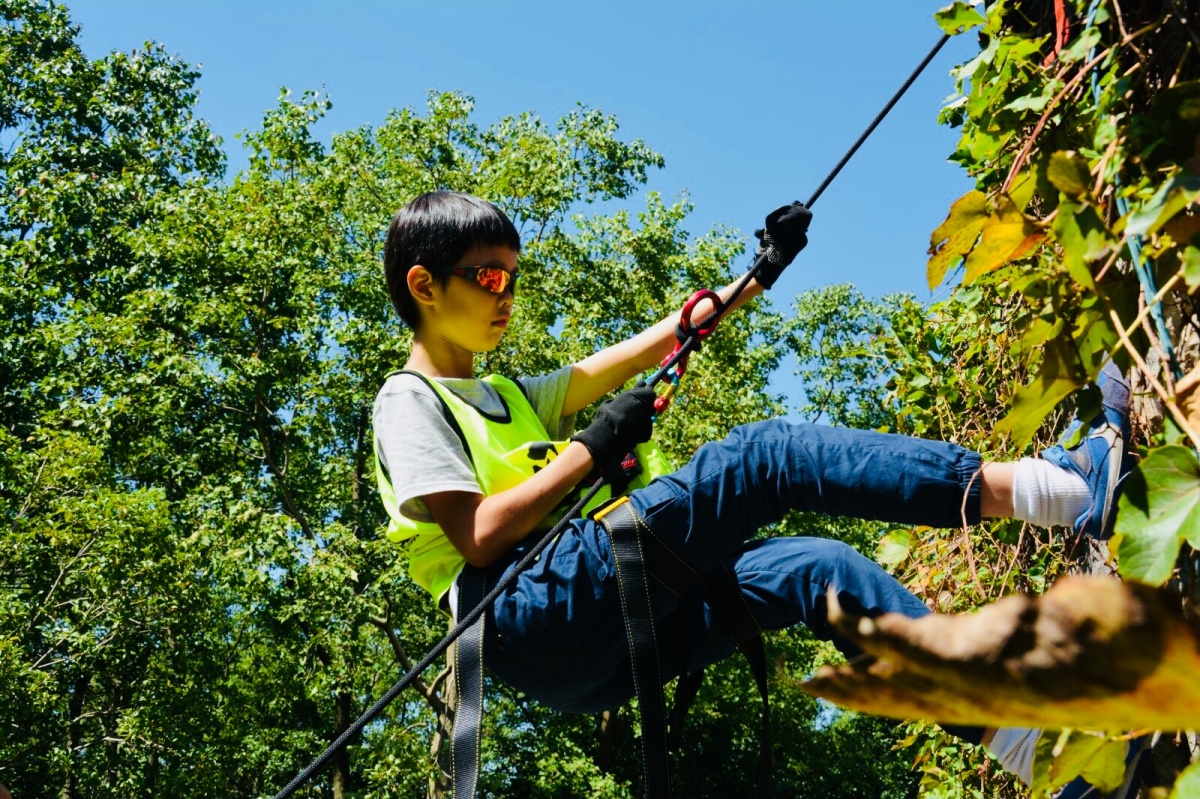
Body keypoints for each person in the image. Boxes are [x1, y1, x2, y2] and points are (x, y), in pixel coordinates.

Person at [372, 190, 1143, 797]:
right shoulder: (408, 400)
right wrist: (592, 447)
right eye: (490, 276)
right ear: (424, 285)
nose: (509, 293)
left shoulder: (506, 393)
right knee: (766, 455)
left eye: (516, 274)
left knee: (820, 572)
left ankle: (1042, 757)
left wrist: (753, 279)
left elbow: (644, 349)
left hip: (585, 634)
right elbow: (476, 534)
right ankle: (1065, 487)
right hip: (529, 614)